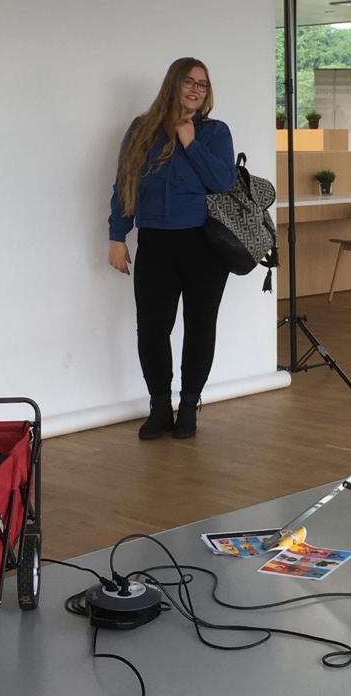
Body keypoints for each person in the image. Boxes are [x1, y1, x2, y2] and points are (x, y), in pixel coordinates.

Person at [108, 57, 237, 440]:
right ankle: (160, 407)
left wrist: (190, 141)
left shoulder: (215, 132)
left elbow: (223, 182)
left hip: (204, 245)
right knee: (152, 329)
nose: (196, 89)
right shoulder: (142, 129)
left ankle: (190, 406)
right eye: (189, 82)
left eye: (202, 84)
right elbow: (125, 184)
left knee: (200, 327)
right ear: (173, 84)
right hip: (155, 242)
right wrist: (117, 236)